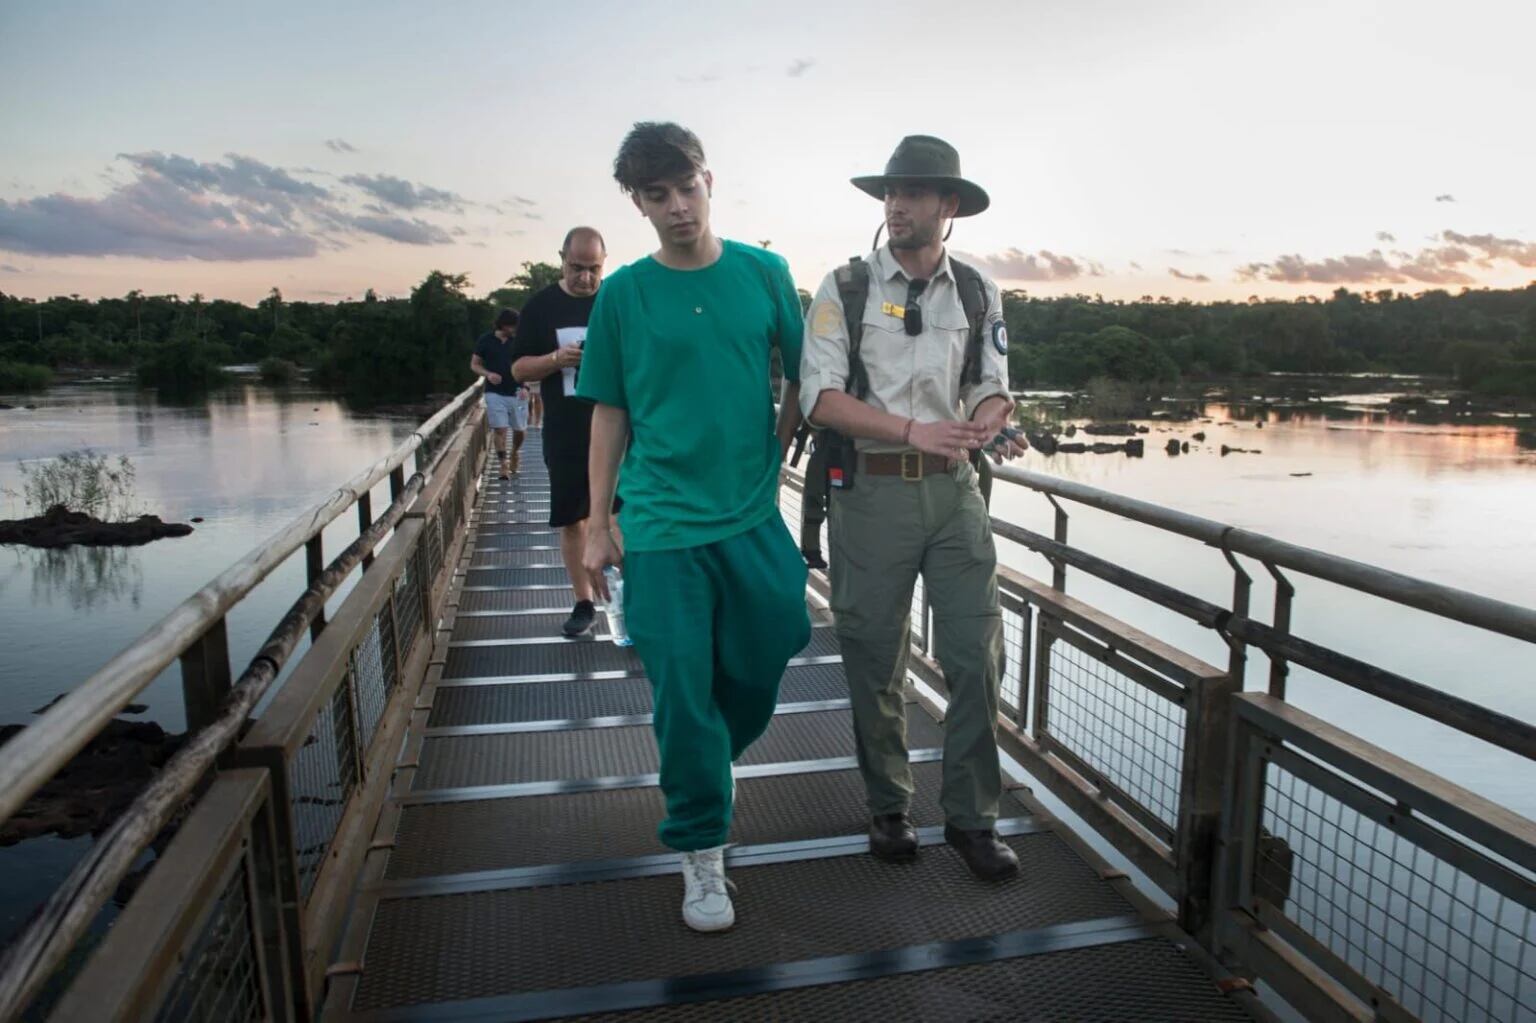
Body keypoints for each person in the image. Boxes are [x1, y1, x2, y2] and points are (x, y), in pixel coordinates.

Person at [577, 122, 810, 932]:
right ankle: (701, 846)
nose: (678, 207)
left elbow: (808, 378)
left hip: (750, 512)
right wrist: (599, 522)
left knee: (777, 635)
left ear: (710, 179)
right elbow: (608, 410)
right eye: (657, 196)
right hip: (662, 521)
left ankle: (708, 762)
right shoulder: (625, 293)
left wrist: (776, 451)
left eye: (687, 188)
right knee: (681, 688)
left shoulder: (765, 273)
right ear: (637, 204)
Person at [799, 135, 1027, 882]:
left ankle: (972, 817)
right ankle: (889, 804)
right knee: (874, 654)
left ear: (948, 206)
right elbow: (822, 397)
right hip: (870, 490)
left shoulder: (977, 289)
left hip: (954, 490)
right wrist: (909, 428)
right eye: (890, 193)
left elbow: (992, 381)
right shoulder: (845, 287)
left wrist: (990, 419)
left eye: (914, 193)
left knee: (977, 654)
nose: (896, 204)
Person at [511, 227, 610, 637]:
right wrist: (555, 359)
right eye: (576, 268)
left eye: (594, 269)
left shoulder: (614, 299)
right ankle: (583, 602)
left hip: (619, 430)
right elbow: (518, 369)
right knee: (573, 521)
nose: (585, 278)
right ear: (561, 259)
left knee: (624, 518)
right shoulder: (540, 307)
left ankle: (631, 602)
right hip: (565, 430)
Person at [470, 309, 529, 479]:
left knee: (520, 430)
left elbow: (528, 365)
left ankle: (515, 452)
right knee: (500, 429)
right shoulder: (485, 340)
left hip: (518, 391)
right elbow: (474, 364)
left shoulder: (519, 341)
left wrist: (526, 387)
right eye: (512, 326)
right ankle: (503, 465)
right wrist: (487, 374)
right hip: (494, 392)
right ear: (503, 325)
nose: (515, 330)